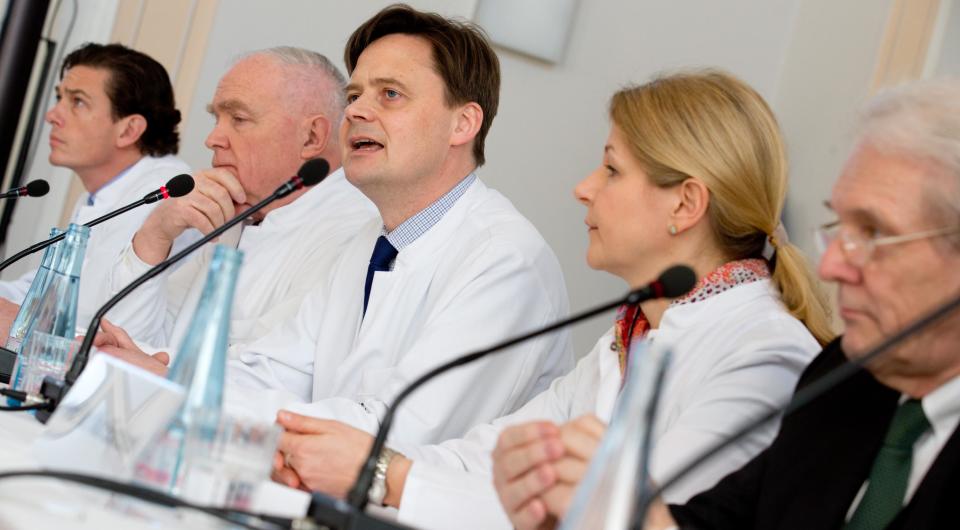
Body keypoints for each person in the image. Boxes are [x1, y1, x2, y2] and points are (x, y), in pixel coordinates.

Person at [270, 70, 833, 529]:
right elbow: (492, 455)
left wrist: (380, 475)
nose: (583, 187)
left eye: (612, 169)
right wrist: (364, 465)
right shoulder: (633, 333)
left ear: (685, 205)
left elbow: (610, 516)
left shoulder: (764, 354)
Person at [230, 3, 573, 498]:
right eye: (354, 94)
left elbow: (395, 436)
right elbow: (275, 366)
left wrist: (227, 409)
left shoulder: (507, 260)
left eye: (389, 94)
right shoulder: (371, 239)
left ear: (463, 124)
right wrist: (169, 371)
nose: (355, 111)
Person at [656, 80, 960, 530]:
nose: (833, 264)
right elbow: (717, 521)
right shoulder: (842, 375)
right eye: (841, 226)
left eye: (874, 233)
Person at [93, 47, 376, 373]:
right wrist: (155, 234)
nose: (212, 139)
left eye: (239, 119)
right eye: (216, 119)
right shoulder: (236, 216)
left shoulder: (352, 233)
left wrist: (153, 365)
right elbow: (124, 336)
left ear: (312, 137)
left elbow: (272, 377)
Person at [0, 43, 196, 336]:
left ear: (129, 130)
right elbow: (42, 292)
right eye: (59, 98)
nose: (52, 115)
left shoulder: (165, 194)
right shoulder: (102, 192)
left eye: (77, 102)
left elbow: (95, 319)